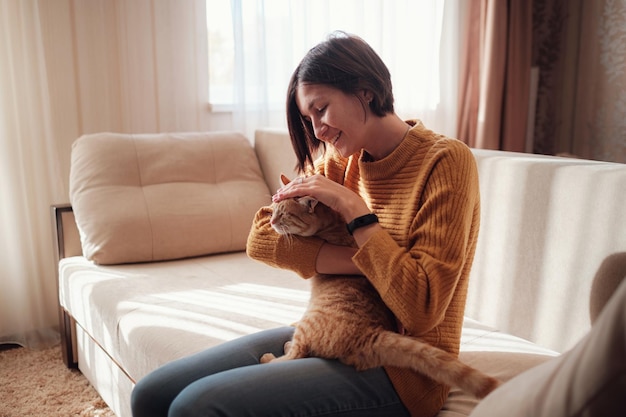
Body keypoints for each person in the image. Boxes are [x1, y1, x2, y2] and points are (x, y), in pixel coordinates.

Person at [131, 31, 480, 417]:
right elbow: (261, 237)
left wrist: (355, 211)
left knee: (193, 408)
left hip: (404, 369)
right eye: (308, 118)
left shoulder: (445, 161)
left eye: (322, 109)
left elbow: (420, 308)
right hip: (335, 331)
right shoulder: (339, 160)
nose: (317, 131)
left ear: (365, 91)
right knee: (151, 394)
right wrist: (357, 258)